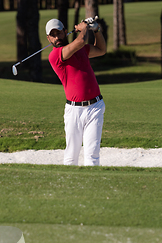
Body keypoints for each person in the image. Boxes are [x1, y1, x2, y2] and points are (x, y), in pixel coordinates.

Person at [45, 18, 106, 166]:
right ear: (48, 38)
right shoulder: (55, 55)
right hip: (74, 111)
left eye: (59, 33)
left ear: (65, 32)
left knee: (92, 155)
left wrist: (96, 30)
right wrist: (84, 28)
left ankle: (91, 188)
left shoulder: (82, 50)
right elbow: (80, 41)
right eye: (52, 35)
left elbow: (102, 50)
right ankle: (69, 188)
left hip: (95, 107)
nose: (56, 37)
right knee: (71, 156)